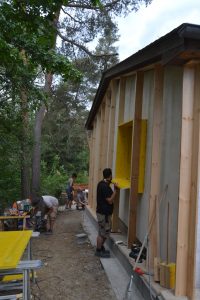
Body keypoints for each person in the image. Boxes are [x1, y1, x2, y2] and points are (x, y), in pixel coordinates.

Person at [95, 168, 119, 258]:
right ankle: (98, 250)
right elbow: (109, 200)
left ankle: (100, 248)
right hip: (103, 214)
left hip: (103, 213)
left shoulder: (101, 184)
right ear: (110, 176)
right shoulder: (104, 186)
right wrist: (116, 190)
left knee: (103, 232)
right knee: (103, 233)